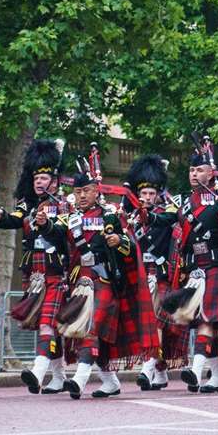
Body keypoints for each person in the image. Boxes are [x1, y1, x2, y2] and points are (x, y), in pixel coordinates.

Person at [58, 146, 161, 399]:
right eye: (78, 191)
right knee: (94, 334)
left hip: (104, 279)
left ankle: (79, 380)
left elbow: (129, 246)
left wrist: (118, 240)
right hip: (80, 281)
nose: (81, 196)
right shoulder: (69, 218)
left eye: (86, 191)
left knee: (91, 328)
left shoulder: (111, 215)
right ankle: (110, 382)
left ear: (97, 191)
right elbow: (60, 243)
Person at [0, 137, 71, 394]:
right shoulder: (27, 203)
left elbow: (62, 234)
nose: (39, 182)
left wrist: (46, 223)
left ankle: (37, 373)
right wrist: (1, 217)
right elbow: (15, 219)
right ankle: (58, 377)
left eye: (44, 178)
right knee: (49, 326)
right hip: (35, 272)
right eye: (36, 178)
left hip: (57, 272)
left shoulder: (64, 205)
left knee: (48, 323)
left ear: (54, 180)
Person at [174, 138, 218, 393]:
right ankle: (216, 377)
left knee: (207, 318)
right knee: (205, 323)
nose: (194, 174)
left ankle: (195, 368)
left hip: (217, 264)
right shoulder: (183, 203)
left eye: (200, 170)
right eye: (192, 170)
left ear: (211, 172)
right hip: (196, 268)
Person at [125, 154, 181, 391]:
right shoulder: (128, 215)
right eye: (143, 194)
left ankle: (147, 370)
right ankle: (160, 370)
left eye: (151, 194)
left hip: (160, 274)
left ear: (158, 193)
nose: (147, 197)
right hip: (139, 275)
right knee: (147, 324)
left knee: (155, 323)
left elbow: (166, 223)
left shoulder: (167, 212)